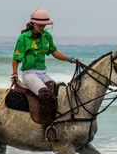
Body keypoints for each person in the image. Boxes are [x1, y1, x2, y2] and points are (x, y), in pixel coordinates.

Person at [11, 8, 78, 140]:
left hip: (42, 73)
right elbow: (16, 58)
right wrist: (14, 74)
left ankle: (58, 120)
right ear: (33, 23)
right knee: (45, 94)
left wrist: (70, 59)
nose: (42, 27)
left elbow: (54, 52)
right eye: (40, 25)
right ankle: (47, 126)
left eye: (44, 25)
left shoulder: (47, 37)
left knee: (58, 91)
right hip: (29, 74)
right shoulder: (23, 38)